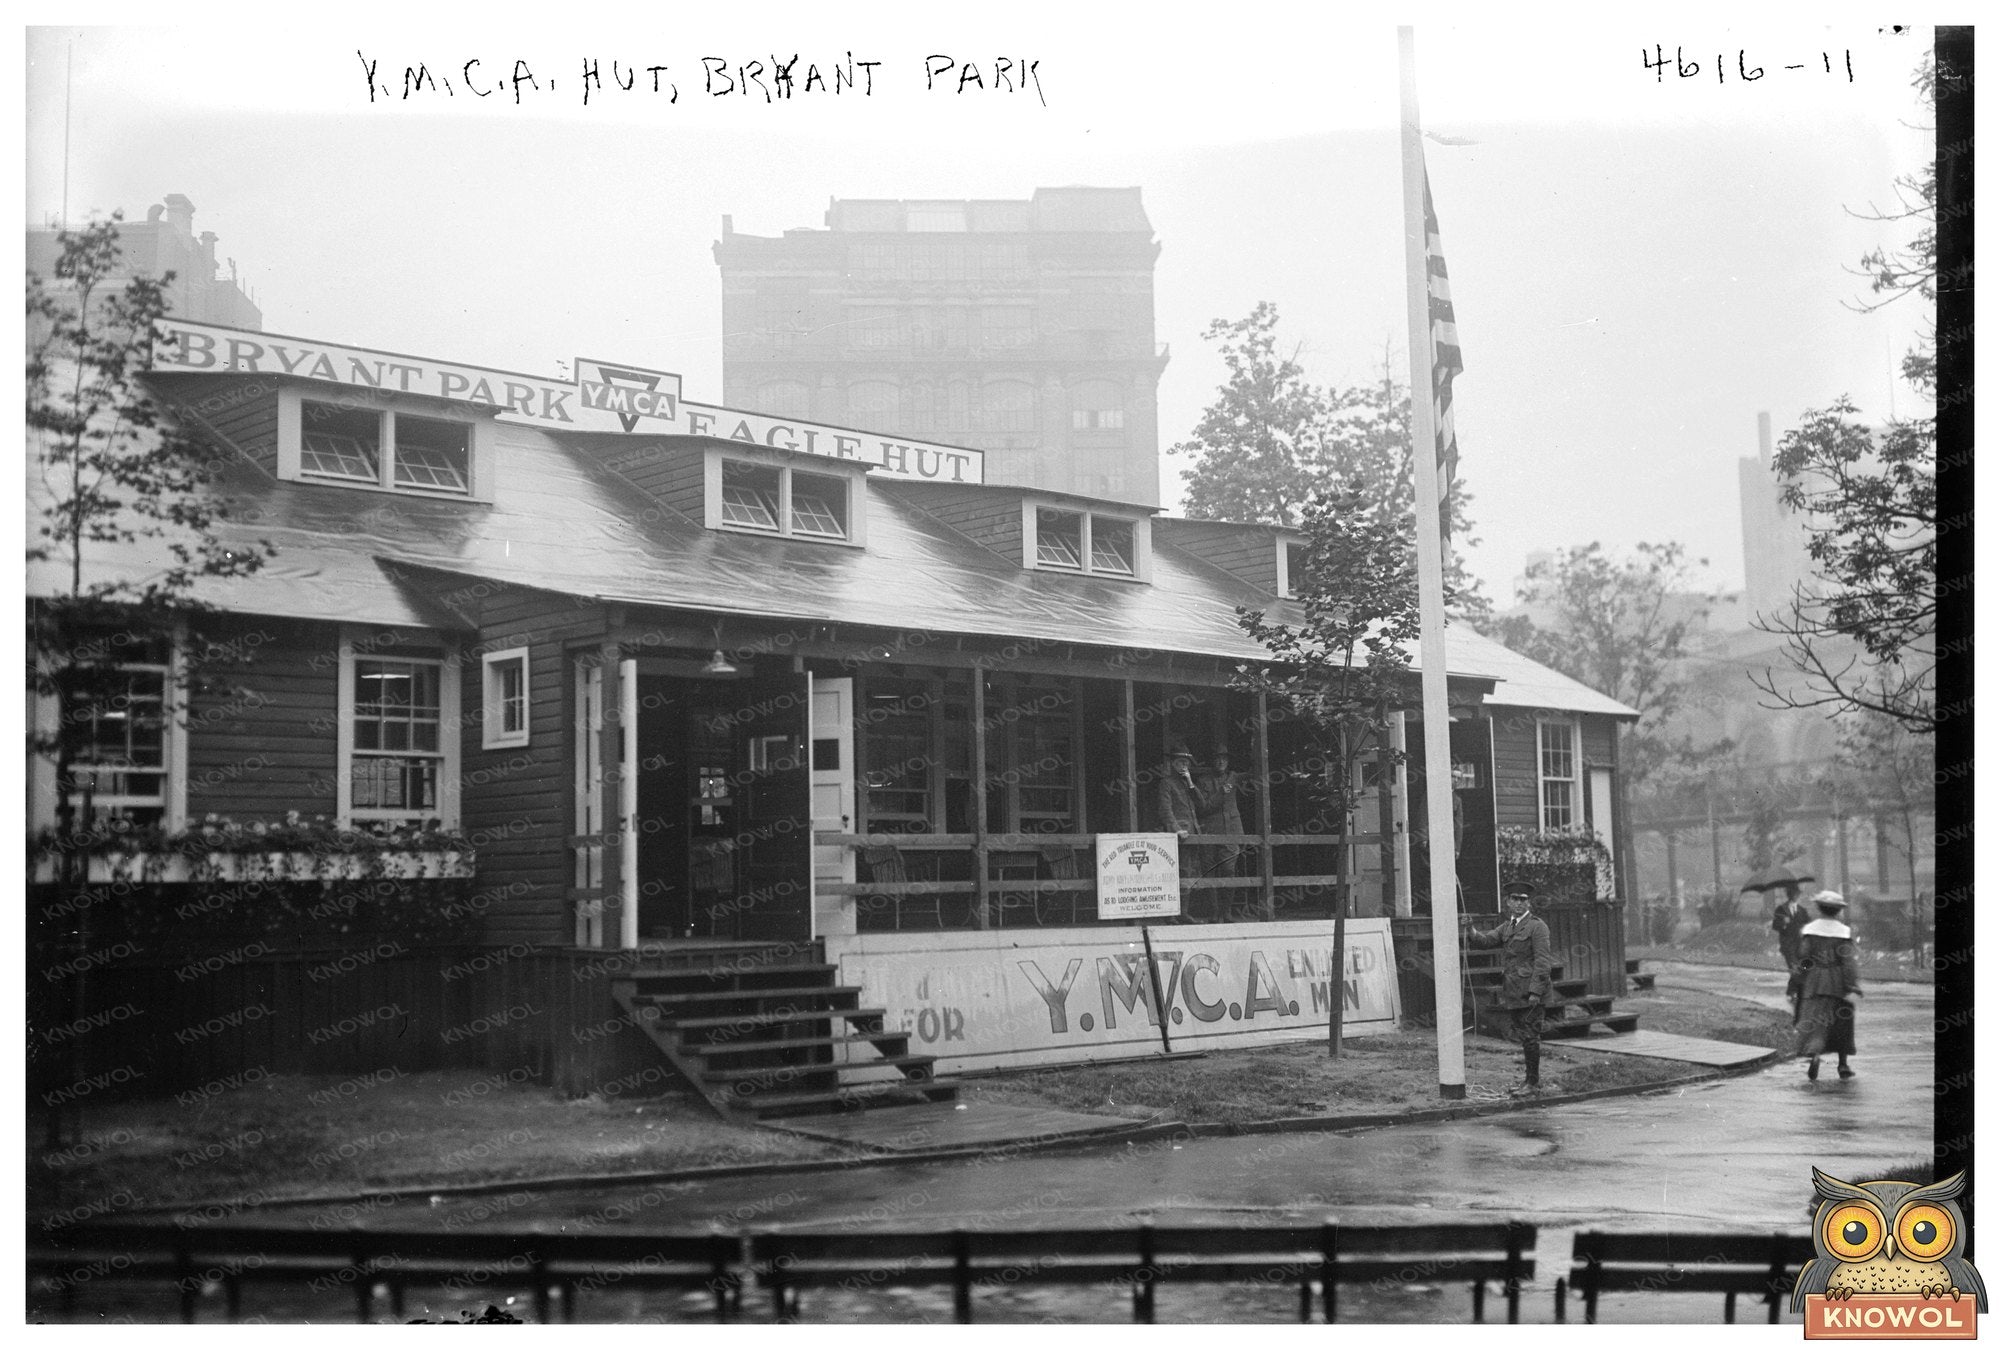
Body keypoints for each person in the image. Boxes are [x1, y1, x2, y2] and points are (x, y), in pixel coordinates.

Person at [1468, 880, 1555, 1095]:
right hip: (1514, 991)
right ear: (1507, 902)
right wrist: (1470, 928)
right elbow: (1486, 940)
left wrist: (1535, 991)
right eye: (1514, 899)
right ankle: (1529, 1081)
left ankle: (1532, 1084)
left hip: (1531, 993)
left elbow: (1543, 962)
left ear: (1529, 903)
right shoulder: (1507, 926)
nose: (1518, 904)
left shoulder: (1537, 926)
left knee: (1530, 1036)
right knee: (1524, 1036)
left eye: (1523, 900)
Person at [1795, 889, 1862, 1081]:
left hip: (1814, 981)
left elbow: (1804, 957)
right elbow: (1847, 962)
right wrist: (1851, 984)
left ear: (1819, 908)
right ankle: (1842, 1064)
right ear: (1838, 910)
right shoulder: (1843, 932)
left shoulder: (1810, 931)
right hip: (1837, 982)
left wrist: (1803, 975)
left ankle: (1815, 1055)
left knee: (1816, 1019)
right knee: (1841, 1022)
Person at [1150, 742, 1207, 872]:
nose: (1184, 766)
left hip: (1194, 833)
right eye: (1181, 762)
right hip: (1179, 836)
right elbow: (1165, 810)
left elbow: (1202, 805)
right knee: (1183, 871)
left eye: (1186, 763)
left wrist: (1191, 783)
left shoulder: (1188, 783)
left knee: (1196, 872)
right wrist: (1176, 829)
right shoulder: (1167, 783)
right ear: (1173, 763)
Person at [1195, 748, 1246, 877]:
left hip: (1231, 831)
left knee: (1229, 870)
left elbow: (1254, 773)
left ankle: (1228, 898)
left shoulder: (1234, 777)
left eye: (1224, 759)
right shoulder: (1203, 781)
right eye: (1217, 758)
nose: (1221, 762)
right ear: (1212, 761)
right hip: (1209, 830)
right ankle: (1211, 898)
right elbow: (1203, 808)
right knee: (1208, 870)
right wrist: (1223, 791)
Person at [1771, 886, 1812, 1017]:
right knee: (1793, 966)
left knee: (1801, 967)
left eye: (1797, 894)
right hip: (1788, 946)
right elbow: (1775, 926)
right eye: (1794, 894)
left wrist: (1805, 930)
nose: (1796, 896)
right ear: (1790, 895)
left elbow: (1808, 925)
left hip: (1800, 945)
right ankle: (1793, 992)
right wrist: (1783, 922)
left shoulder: (1802, 911)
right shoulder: (1781, 909)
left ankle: (1791, 990)